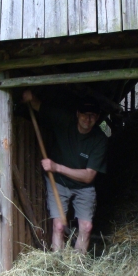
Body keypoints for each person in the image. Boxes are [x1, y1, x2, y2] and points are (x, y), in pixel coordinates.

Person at [22, 90, 108, 254]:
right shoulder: (64, 121)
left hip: (84, 187)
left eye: (92, 115)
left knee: (86, 227)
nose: (87, 119)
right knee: (59, 226)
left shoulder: (99, 140)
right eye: (84, 114)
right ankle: (58, 264)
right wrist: (30, 98)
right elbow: (39, 107)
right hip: (59, 183)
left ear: (97, 118)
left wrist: (56, 167)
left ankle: (77, 266)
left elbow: (89, 176)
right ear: (77, 114)